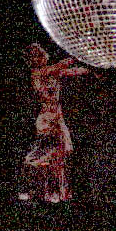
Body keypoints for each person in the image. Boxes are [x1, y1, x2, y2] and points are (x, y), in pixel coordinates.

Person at [21, 42, 89, 203]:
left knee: (60, 157)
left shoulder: (53, 72)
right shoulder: (37, 73)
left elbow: (72, 71)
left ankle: (59, 192)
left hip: (57, 117)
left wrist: (91, 69)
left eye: (40, 54)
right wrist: (78, 54)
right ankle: (34, 187)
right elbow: (61, 65)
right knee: (47, 154)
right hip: (47, 119)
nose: (40, 57)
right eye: (35, 56)